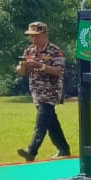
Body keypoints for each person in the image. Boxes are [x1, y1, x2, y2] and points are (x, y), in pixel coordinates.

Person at [15, 21, 72, 161]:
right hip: (36, 90)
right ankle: (64, 149)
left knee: (41, 123)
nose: (33, 39)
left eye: (36, 36)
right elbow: (21, 71)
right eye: (31, 36)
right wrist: (22, 67)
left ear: (45, 34)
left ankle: (32, 150)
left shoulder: (55, 51)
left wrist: (40, 66)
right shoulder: (29, 50)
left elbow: (59, 71)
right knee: (50, 121)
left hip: (50, 91)